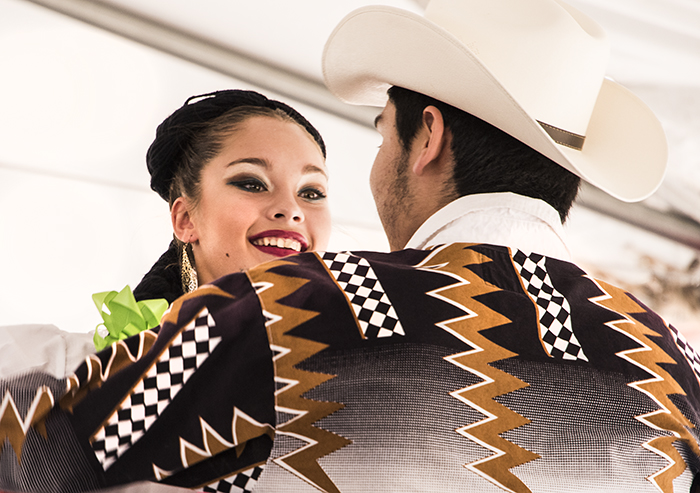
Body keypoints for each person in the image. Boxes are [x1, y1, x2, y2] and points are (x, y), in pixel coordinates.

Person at [1, 1, 699, 492]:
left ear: (427, 137)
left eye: (381, 133)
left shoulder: (294, 316)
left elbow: (33, 449)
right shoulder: (675, 366)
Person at [0, 89, 332, 377]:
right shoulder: (63, 373)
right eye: (252, 183)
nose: (291, 209)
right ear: (186, 219)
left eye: (312, 192)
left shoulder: (363, 379)